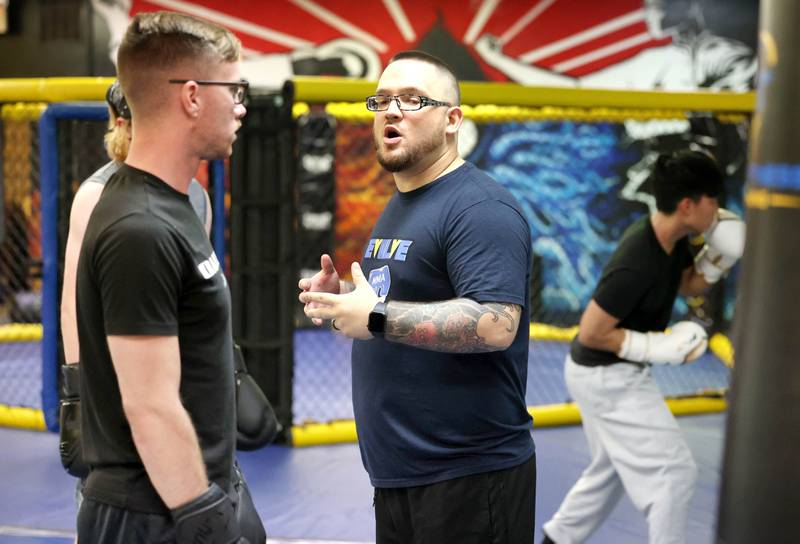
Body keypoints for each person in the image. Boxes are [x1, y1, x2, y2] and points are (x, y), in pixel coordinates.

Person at [299, 50, 536, 543]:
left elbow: (495, 324)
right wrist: (343, 297)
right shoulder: (404, 201)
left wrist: (379, 317)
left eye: (411, 99)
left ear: (452, 119)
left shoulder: (480, 207)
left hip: (468, 480)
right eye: (382, 99)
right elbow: (404, 296)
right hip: (401, 476)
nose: (391, 110)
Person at [73, 11, 261, 542]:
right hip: (152, 513)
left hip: (177, 498)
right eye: (235, 88)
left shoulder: (173, 208)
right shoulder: (142, 227)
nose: (241, 105)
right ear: (194, 97)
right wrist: (207, 520)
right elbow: (150, 406)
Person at [540, 150, 745, 544]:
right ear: (688, 205)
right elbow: (592, 331)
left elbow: (688, 284)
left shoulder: (672, 239)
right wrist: (658, 347)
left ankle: (555, 540)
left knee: (611, 469)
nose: (719, 211)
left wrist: (720, 260)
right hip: (605, 375)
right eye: (713, 201)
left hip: (610, 371)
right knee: (675, 474)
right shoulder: (637, 260)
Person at [474, 0, 756, 91]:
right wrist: (498, 60)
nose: (647, 13)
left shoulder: (714, 54)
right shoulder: (661, 58)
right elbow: (577, 91)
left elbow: (743, 77)